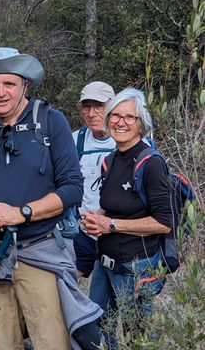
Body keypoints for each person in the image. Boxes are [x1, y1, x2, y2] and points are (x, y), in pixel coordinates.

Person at [0, 47, 104, 350]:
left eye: (10, 84)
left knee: (53, 342)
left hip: (42, 251)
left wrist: (21, 213)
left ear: (25, 85)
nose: (1, 92)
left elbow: (72, 188)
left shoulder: (51, 122)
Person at [81, 87, 172, 349]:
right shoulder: (110, 160)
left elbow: (163, 222)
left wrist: (110, 225)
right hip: (105, 264)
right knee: (97, 330)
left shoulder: (151, 163)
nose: (120, 122)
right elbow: (110, 207)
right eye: (115, 115)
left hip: (136, 268)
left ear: (141, 124)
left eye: (129, 117)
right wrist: (95, 219)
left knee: (138, 338)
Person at [72, 81, 116, 279]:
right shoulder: (74, 140)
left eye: (99, 106)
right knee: (67, 285)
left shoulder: (129, 142)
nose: (91, 113)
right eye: (86, 106)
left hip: (117, 231)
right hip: (80, 230)